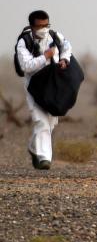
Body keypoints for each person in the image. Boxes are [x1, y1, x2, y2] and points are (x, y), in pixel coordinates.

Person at [14, 10, 73, 169]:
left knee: (51, 122)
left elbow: (67, 47)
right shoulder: (24, 42)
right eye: (40, 26)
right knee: (41, 121)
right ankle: (44, 159)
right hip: (34, 85)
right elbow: (26, 66)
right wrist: (45, 57)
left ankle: (34, 148)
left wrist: (64, 60)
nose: (44, 29)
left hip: (53, 84)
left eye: (46, 25)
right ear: (32, 26)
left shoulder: (54, 35)